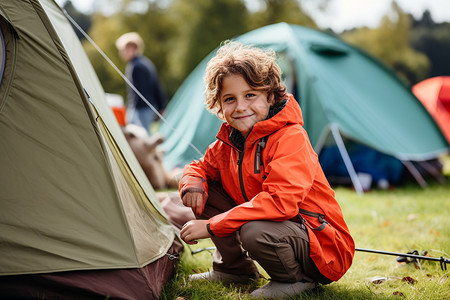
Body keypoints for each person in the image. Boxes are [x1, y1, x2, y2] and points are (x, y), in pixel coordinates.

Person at [179, 41, 355, 299]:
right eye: (230, 99)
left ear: (270, 96)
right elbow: (201, 166)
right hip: (280, 230)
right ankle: (234, 269)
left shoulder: (290, 137)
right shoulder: (229, 141)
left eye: (250, 95)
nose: (240, 107)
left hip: (323, 247)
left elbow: (280, 202)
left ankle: (294, 279)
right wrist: (192, 179)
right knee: (205, 189)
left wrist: (212, 226)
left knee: (254, 229)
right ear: (219, 105)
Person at [116, 32, 166, 134]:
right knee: (146, 136)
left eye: (122, 50)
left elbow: (136, 93)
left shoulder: (134, 66)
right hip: (150, 107)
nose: (121, 53)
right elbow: (157, 86)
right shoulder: (146, 62)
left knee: (141, 137)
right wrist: (161, 107)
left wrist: (131, 112)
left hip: (140, 109)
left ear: (132, 48)